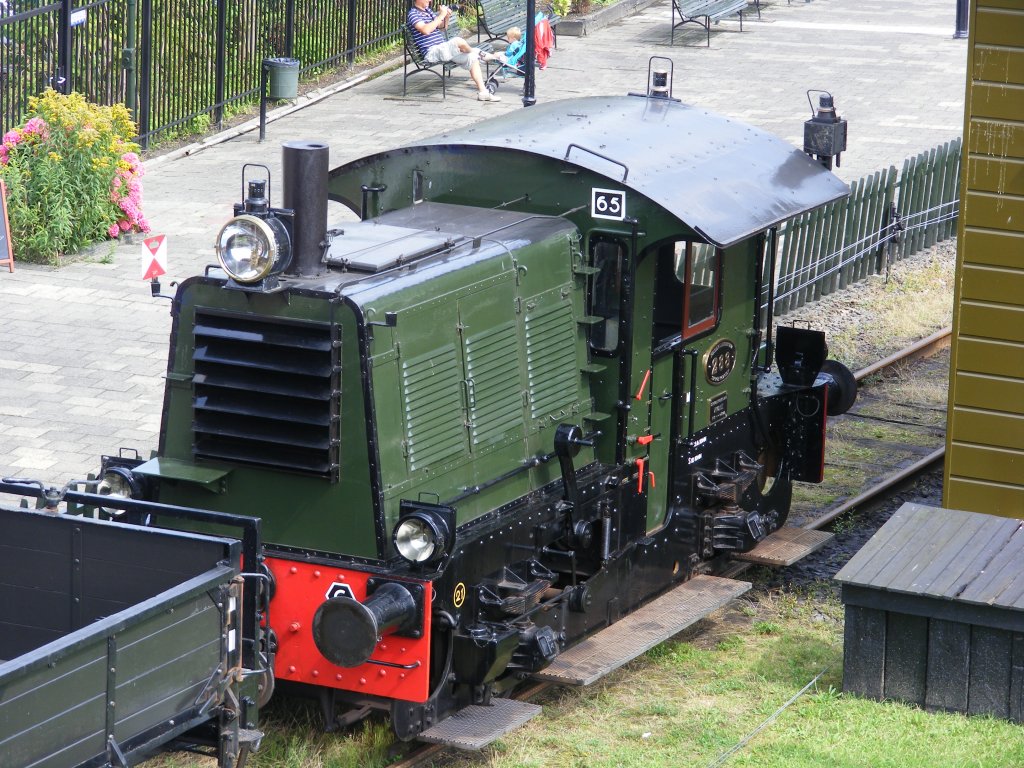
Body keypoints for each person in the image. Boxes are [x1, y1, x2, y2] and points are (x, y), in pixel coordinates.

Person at [407, 0, 500, 102]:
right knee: (458, 41)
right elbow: (425, 30)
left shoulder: (427, 10)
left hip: (443, 49)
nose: (430, 0)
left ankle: (483, 93)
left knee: (471, 58)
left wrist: (446, 17)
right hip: (432, 51)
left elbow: (442, 27)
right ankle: (479, 53)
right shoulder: (413, 14)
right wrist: (441, 15)